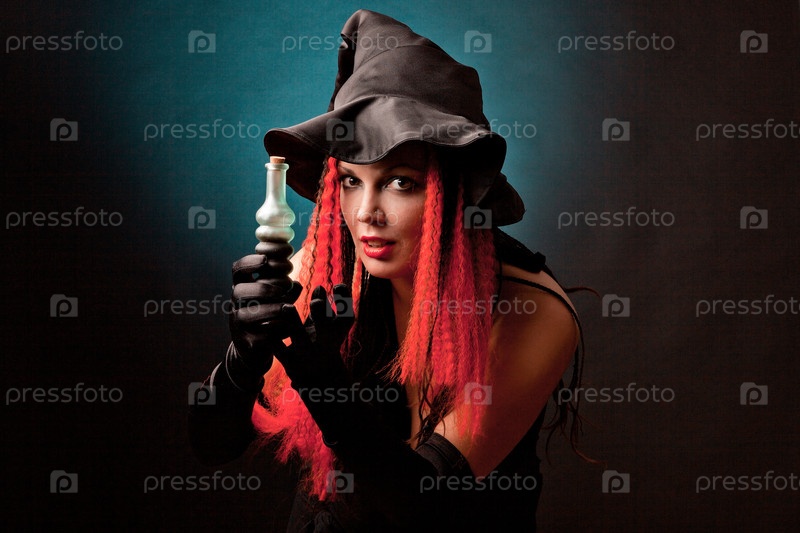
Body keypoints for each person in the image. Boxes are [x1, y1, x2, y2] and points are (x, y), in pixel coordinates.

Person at [189, 9, 590, 532]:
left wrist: (325, 387)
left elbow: (422, 506)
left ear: (455, 191)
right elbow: (213, 445)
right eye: (351, 181)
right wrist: (241, 361)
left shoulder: (530, 312)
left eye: (401, 182)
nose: (365, 214)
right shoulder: (322, 271)